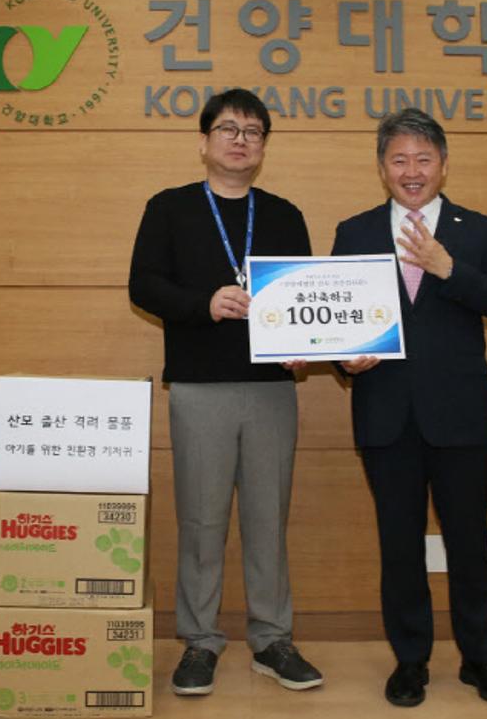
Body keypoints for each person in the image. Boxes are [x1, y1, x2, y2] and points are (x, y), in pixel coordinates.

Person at [128, 89, 322, 696]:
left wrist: (304, 347)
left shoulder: (285, 214)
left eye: (254, 131)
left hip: (271, 390)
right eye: (229, 129)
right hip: (199, 387)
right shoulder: (169, 208)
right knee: (201, 520)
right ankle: (200, 641)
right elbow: (143, 285)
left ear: (264, 146)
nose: (241, 140)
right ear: (204, 141)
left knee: (269, 518)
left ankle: (272, 638)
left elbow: (304, 297)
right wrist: (203, 304)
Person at [331, 108, 487, 707]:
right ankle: (410, 661)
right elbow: (338, 322)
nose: (411, 171)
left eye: (423, 159)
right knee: (399, 544)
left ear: (443, 164)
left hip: (461, 417)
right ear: (381, 167)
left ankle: (480, 658)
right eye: (399, 159)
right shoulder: (355, 232)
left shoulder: (479, 230)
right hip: (386, 415)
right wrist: (345, 362)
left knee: (469, 543)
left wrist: (449, 268)